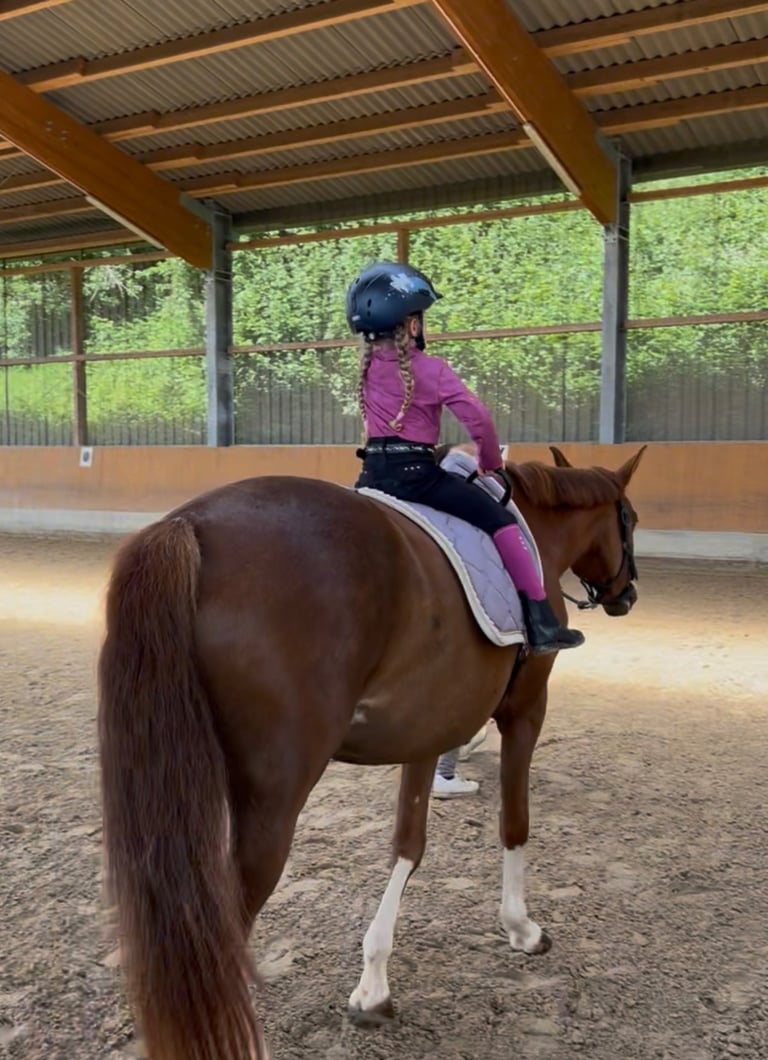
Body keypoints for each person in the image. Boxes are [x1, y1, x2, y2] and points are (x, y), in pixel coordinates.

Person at [347, 260, 584, 656]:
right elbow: (479, 419)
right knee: (501, 522)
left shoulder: (367, 371)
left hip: (371, 478)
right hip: (418, 479)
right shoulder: (432, 369)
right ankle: (542, 621)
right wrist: (490, 462)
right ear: (412, 325)